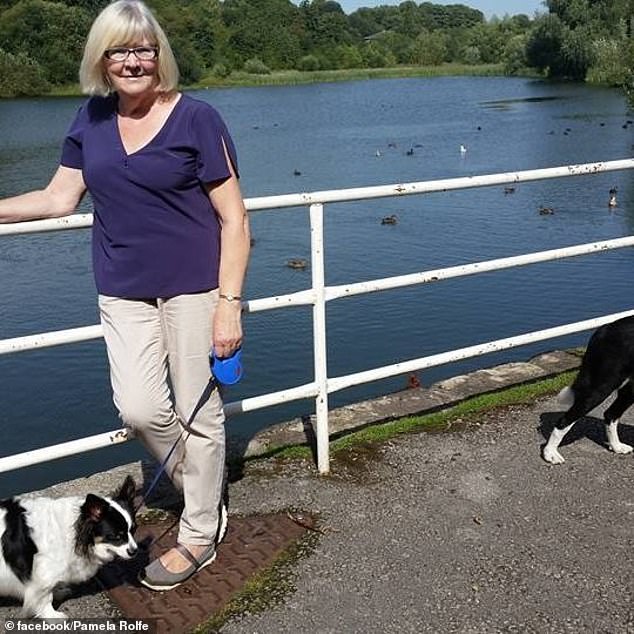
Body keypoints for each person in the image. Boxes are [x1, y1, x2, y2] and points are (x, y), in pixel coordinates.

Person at [0, 0, 250, 590]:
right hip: (122, 289)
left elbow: (234, 221)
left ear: (159, 55)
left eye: (144, 49)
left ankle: (198, 533)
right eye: (119, 50)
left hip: (196, 287)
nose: (133, 61)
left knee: (200, 412)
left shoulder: (198, 119)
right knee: (138, 407)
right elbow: (59, 198)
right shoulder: (90, 119)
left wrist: (227, 304)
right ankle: (203, 489)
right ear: (101, 59)